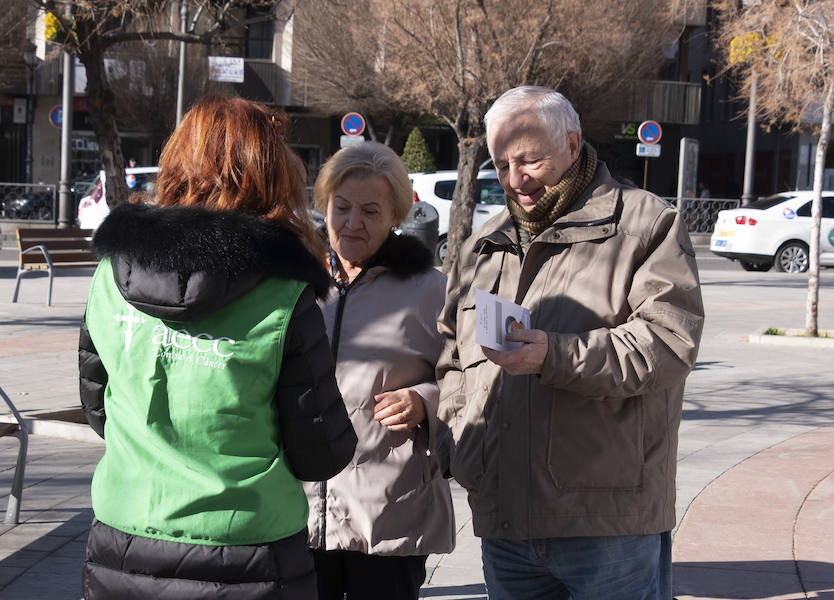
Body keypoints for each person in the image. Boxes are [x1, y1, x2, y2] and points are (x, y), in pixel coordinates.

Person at [78, 95, 357, 599]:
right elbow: (320, 451)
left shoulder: (108, 276)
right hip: (250, 553)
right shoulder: (284, 293)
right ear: (273, 177)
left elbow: (98, 409)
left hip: (124, 536)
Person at [435, 86, 705, 600]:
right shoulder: (483, 245)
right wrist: (463, 444)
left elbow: (670, 343)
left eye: (530, 160)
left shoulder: (646, 224)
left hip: (607, 526)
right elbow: (450, 357)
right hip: (506, 519)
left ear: (573, 144)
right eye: (502, 164)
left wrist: (552, 355)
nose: (517, 180)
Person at [303, 141, 455, 600]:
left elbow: (469, 378)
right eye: (342, 207)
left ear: (395, 215)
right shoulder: (295, 283)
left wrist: (423, 400)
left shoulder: (430, 289)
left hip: (388, 513)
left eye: (370, 211)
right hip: (300, 510)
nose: (352, 223)